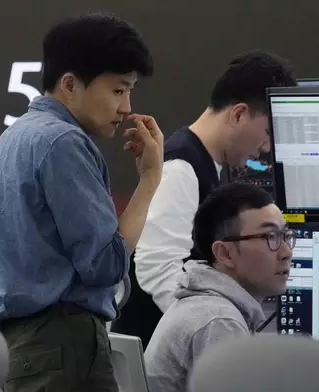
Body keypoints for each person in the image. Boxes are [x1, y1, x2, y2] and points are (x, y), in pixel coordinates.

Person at [0, 13, 162, 392]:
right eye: (118, 90)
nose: (126, 108)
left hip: (21, 349)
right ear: (70, 84)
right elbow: (106, 264)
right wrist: (150, 179)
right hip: (63, 346)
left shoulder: (14, 138)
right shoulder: (64, 143)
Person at [111, 50, 297, 347]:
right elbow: (156, 265)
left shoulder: (208, 165)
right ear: (238, 114)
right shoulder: (182, 167)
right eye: (266, 133)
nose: (265, 148)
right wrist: (214, 327)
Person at [144, 183, 295, 392]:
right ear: (225, 254)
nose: (287, 252)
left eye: (286, 236)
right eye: (270, 237)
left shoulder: (207, 306)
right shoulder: (219, 320)